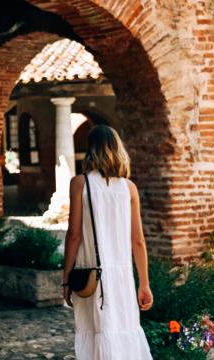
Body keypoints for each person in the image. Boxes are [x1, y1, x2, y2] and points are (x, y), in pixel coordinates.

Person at [62, 125, 153, 360]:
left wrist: (66, 279)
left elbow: (74, 235)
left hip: (91, 273)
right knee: (123, 330)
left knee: (94, 331)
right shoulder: (129, 188)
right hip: (121, 277)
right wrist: (144, 284)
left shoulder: (80, 184)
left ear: (90, 149)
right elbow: (138, 241)